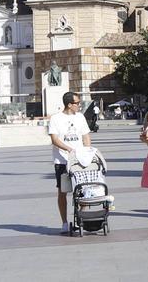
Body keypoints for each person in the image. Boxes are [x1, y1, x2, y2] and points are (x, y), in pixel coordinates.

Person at [48, 92, 91, 234]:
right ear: (69, 105)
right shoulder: (56, 119)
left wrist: (88, 152)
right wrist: (69, 149)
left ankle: (80, 217)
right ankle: (64, 222)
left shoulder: (80, 117)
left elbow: (86, 137)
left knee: (85, 190)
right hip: (62, 161)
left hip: (79, 160)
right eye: (77, 103)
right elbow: (54, 139)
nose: (79, 105)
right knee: (62, 191)